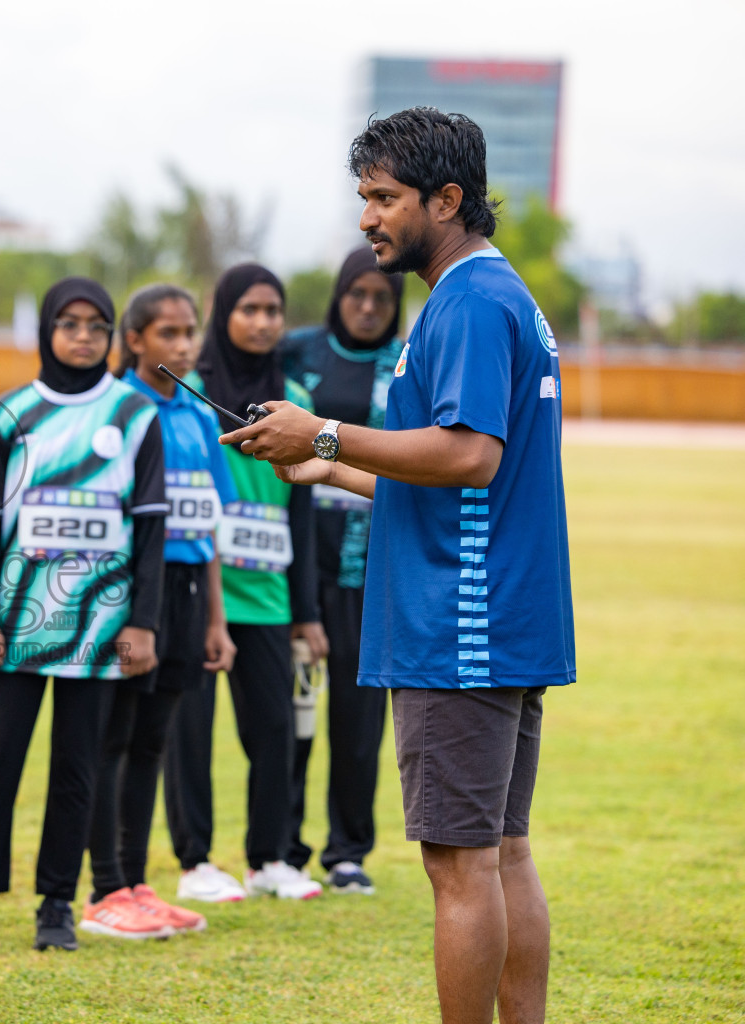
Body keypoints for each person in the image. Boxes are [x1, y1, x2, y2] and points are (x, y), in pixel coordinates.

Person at [227, 107, 574, 1024]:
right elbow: (461, 478)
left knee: (460, 863)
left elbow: (470, 456)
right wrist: (330, 464)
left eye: (383, 198)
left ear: (446, 199)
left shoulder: (463, 302)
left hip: (459, 619)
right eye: (363, 198)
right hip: (499, 611)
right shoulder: (500, 297)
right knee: (501, 850)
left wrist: (328, 427)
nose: (366, 218)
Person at [0, 276, 167, 953]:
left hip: (100, 625)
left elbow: (150, 530)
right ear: (47, 330)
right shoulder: (12, 414)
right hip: (19, 625)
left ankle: (57, 905)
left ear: (112, 334)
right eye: (70, 322)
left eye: (97, 324)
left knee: (78, 767)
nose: (84, 335)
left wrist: (143, 623)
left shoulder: (133, 415)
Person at [162, 264, 327, 903]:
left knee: (274, 729)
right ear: (224, 314)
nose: (264, 323)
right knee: (191, 731)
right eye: (250, 309)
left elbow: (305, 508)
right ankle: (196, 860)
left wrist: (308, 612)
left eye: (274, 311)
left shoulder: (293, 401)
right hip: (202, 595)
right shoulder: (190, 392)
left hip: (270, 597)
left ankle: (269, 858)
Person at [79, 284, 238, 940]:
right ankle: (102, 888)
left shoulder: (200, 415)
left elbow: (209, 523)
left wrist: (216, 620)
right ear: (135, 340)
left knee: (153, 739)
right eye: (167, 333)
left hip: (187, 592)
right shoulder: (117, 410)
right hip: (128, 592)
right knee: (112, 738)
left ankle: (138, 883)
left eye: (189, 331)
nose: (183, 344)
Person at [279, 248, 405, 894]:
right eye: (356, 294)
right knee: (292, 712)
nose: (367, 307)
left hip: (367, 565)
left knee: (358, 719)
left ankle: (347, 851)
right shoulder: (297, 352)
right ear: (338, 296)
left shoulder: (406, 363)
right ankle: (282, 845)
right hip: (297, 563)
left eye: (381, 297)